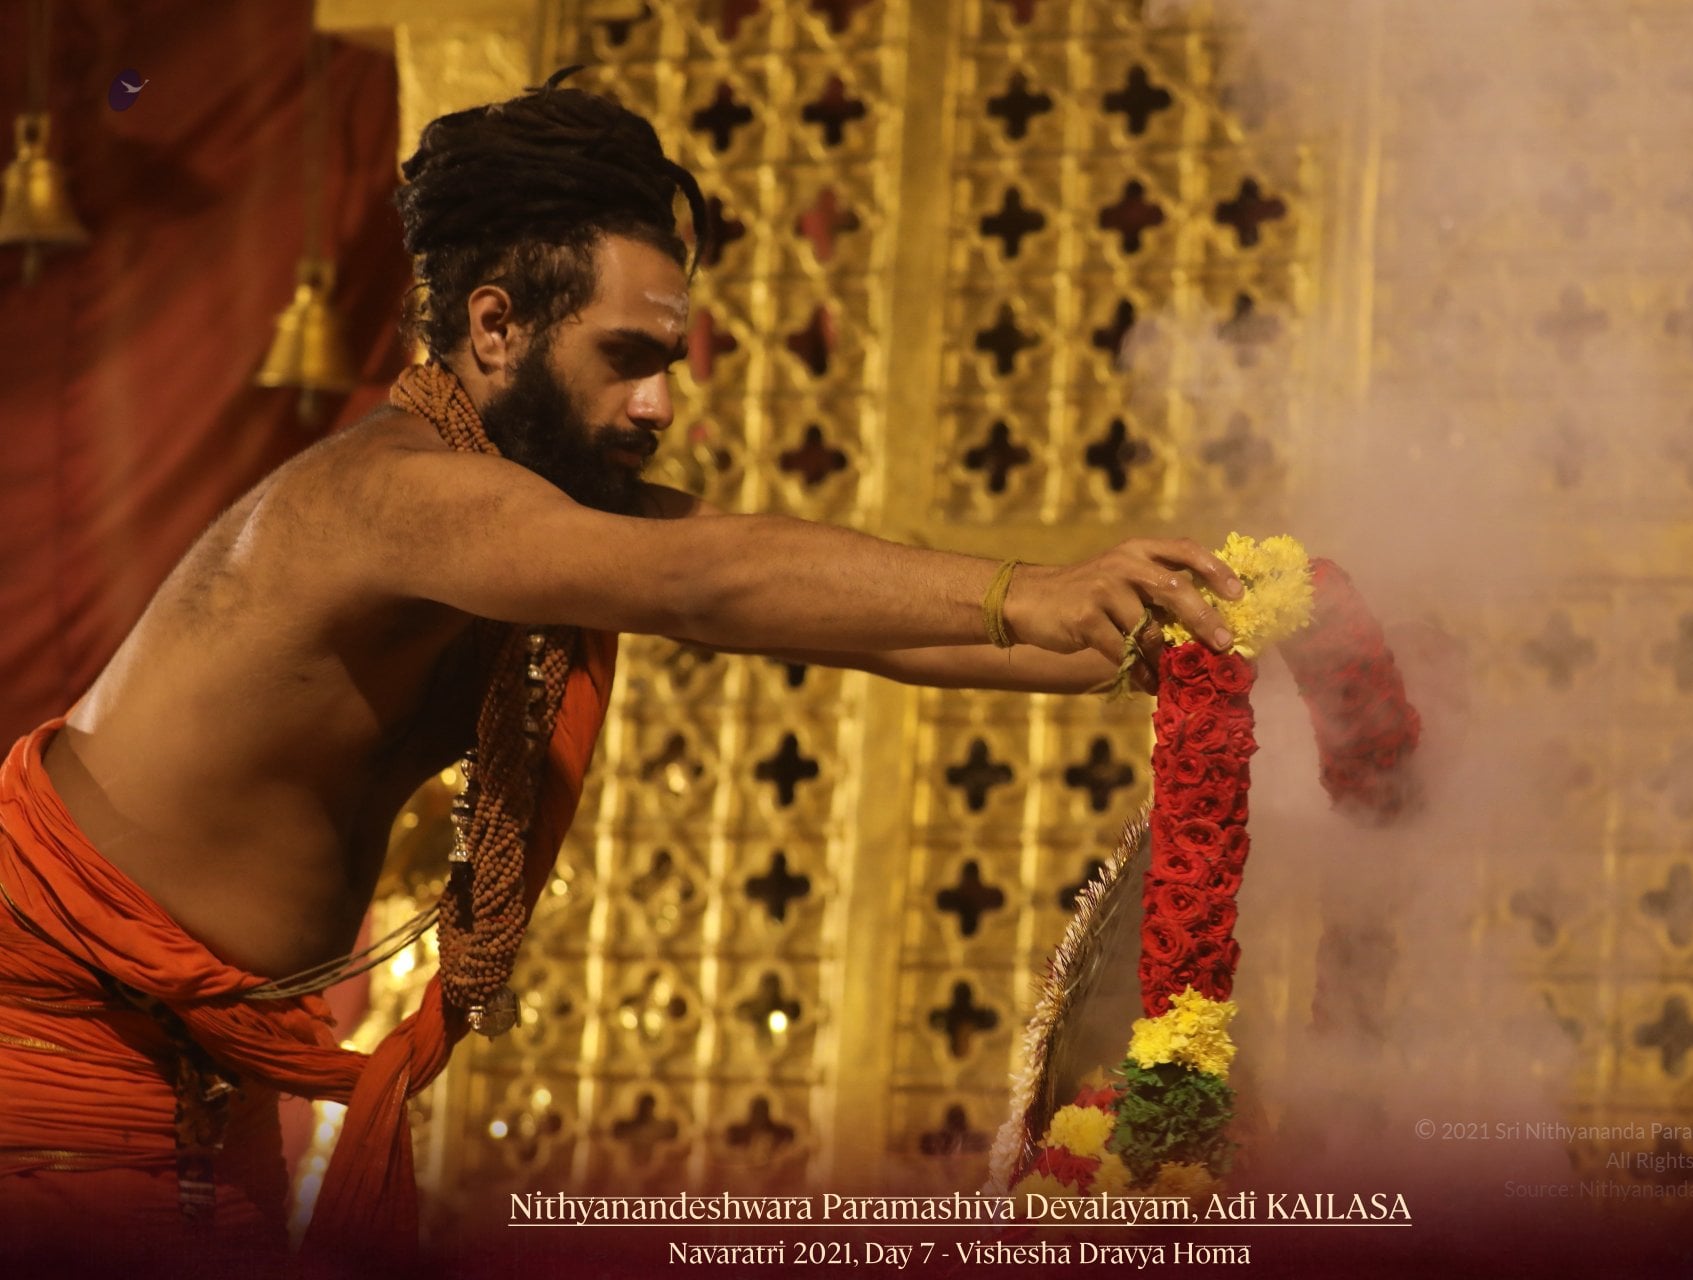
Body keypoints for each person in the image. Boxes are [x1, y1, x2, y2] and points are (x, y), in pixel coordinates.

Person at [0, 71, 1245, 1264]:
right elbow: (708, 576)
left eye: (669, 365)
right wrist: (1035, 590)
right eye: (626, 358)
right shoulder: (390, 496)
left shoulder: (533, 510)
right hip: (53, 1044)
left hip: (201, 1064)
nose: (658, 406)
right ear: (496, 325)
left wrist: (1144, 645)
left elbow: (847, 620)